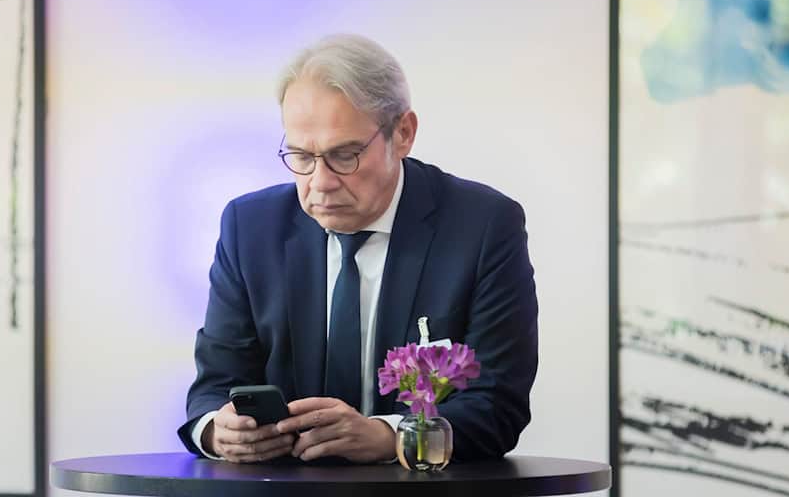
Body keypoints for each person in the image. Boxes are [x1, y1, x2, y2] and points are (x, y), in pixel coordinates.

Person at [176, 34, 538, 464]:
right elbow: (214, 384)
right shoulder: (250, 227)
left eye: (344, 156)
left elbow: (498, 404)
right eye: (301, 156)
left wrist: (390, 437)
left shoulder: (482, 226)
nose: (320, 181)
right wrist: (220, 431)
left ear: (403, 134)